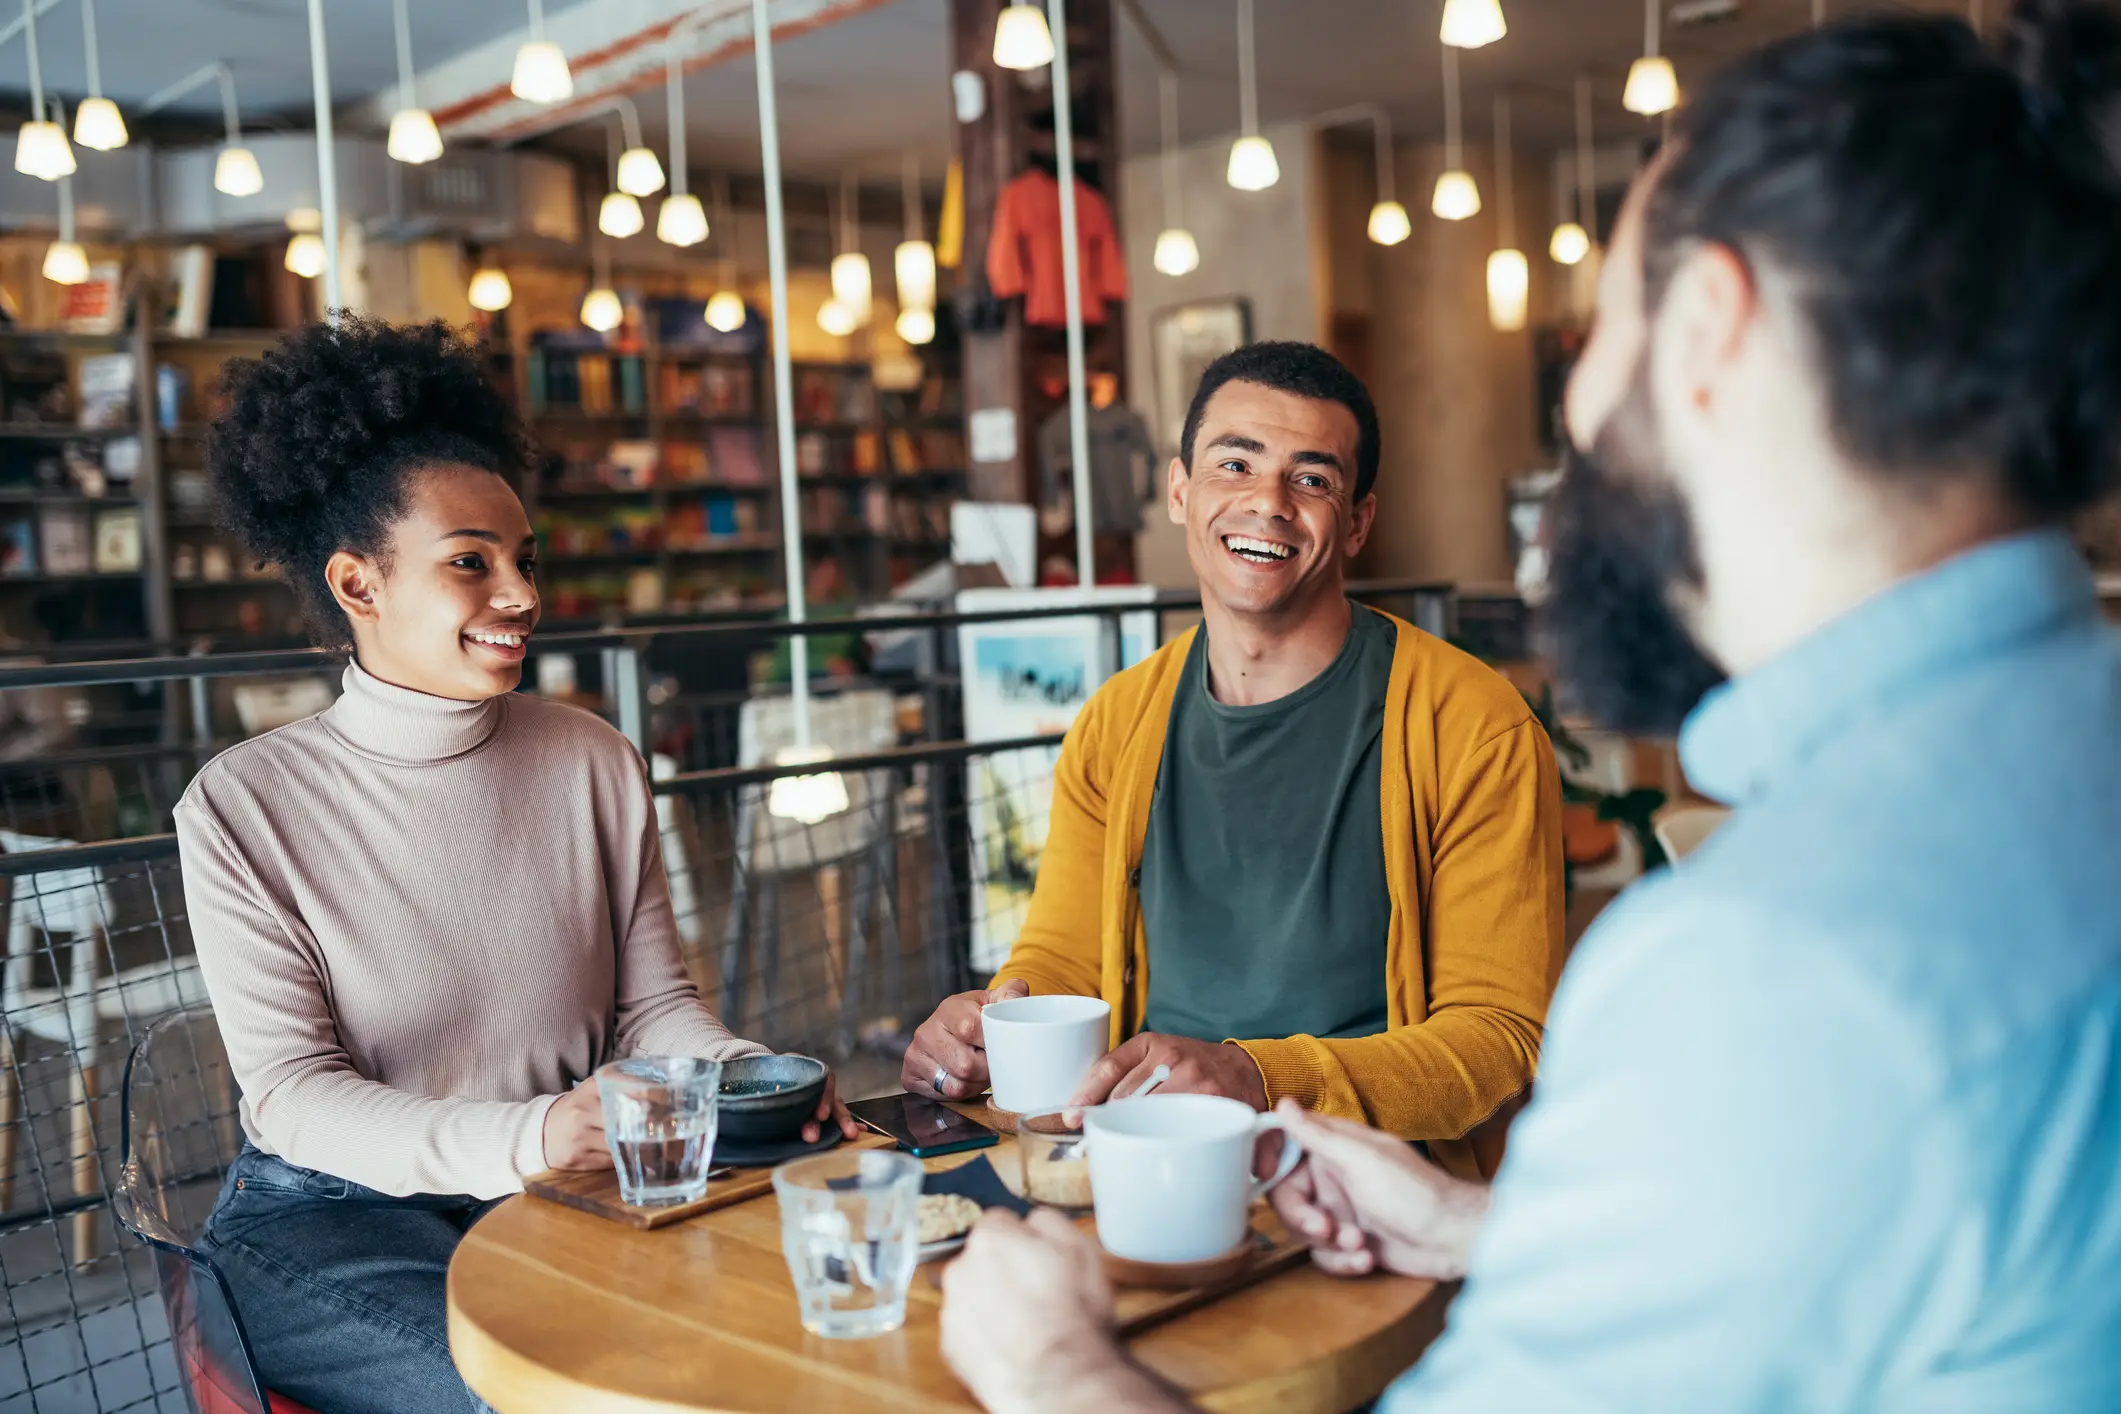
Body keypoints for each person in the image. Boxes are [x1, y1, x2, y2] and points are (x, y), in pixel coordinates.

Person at [937, 2, 2121, 1409]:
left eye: (1600, 331)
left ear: (1706, 326)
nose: (1576, 415)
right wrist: (1492, 1227)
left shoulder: (1772, 958)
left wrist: (1052, 1365)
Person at [174, 318, 860, 1414]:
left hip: (557, 1179)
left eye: (524, 561)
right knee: (543, 1393)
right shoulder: (243, 805)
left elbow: (655, 1011)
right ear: (357, 583)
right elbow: (295, 1097)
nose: (521, 596)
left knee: (766, 1338)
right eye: (470, 562)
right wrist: (533, 1135)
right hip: (328, 1215)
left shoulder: (592, 758)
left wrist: (753, 1076)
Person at [905, 342, 1564, 1178]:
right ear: (1180, 492)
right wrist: (988, 1025)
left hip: (1374, 1191)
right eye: (1235, 465)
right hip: (1143, 1163)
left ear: (1357, 521)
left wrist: (1255, 1078)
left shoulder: (1472, 728)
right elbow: (1061, 960)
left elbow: (1499, 1041)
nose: (1268, 503)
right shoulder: (1116, 722)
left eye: (1311, 479)